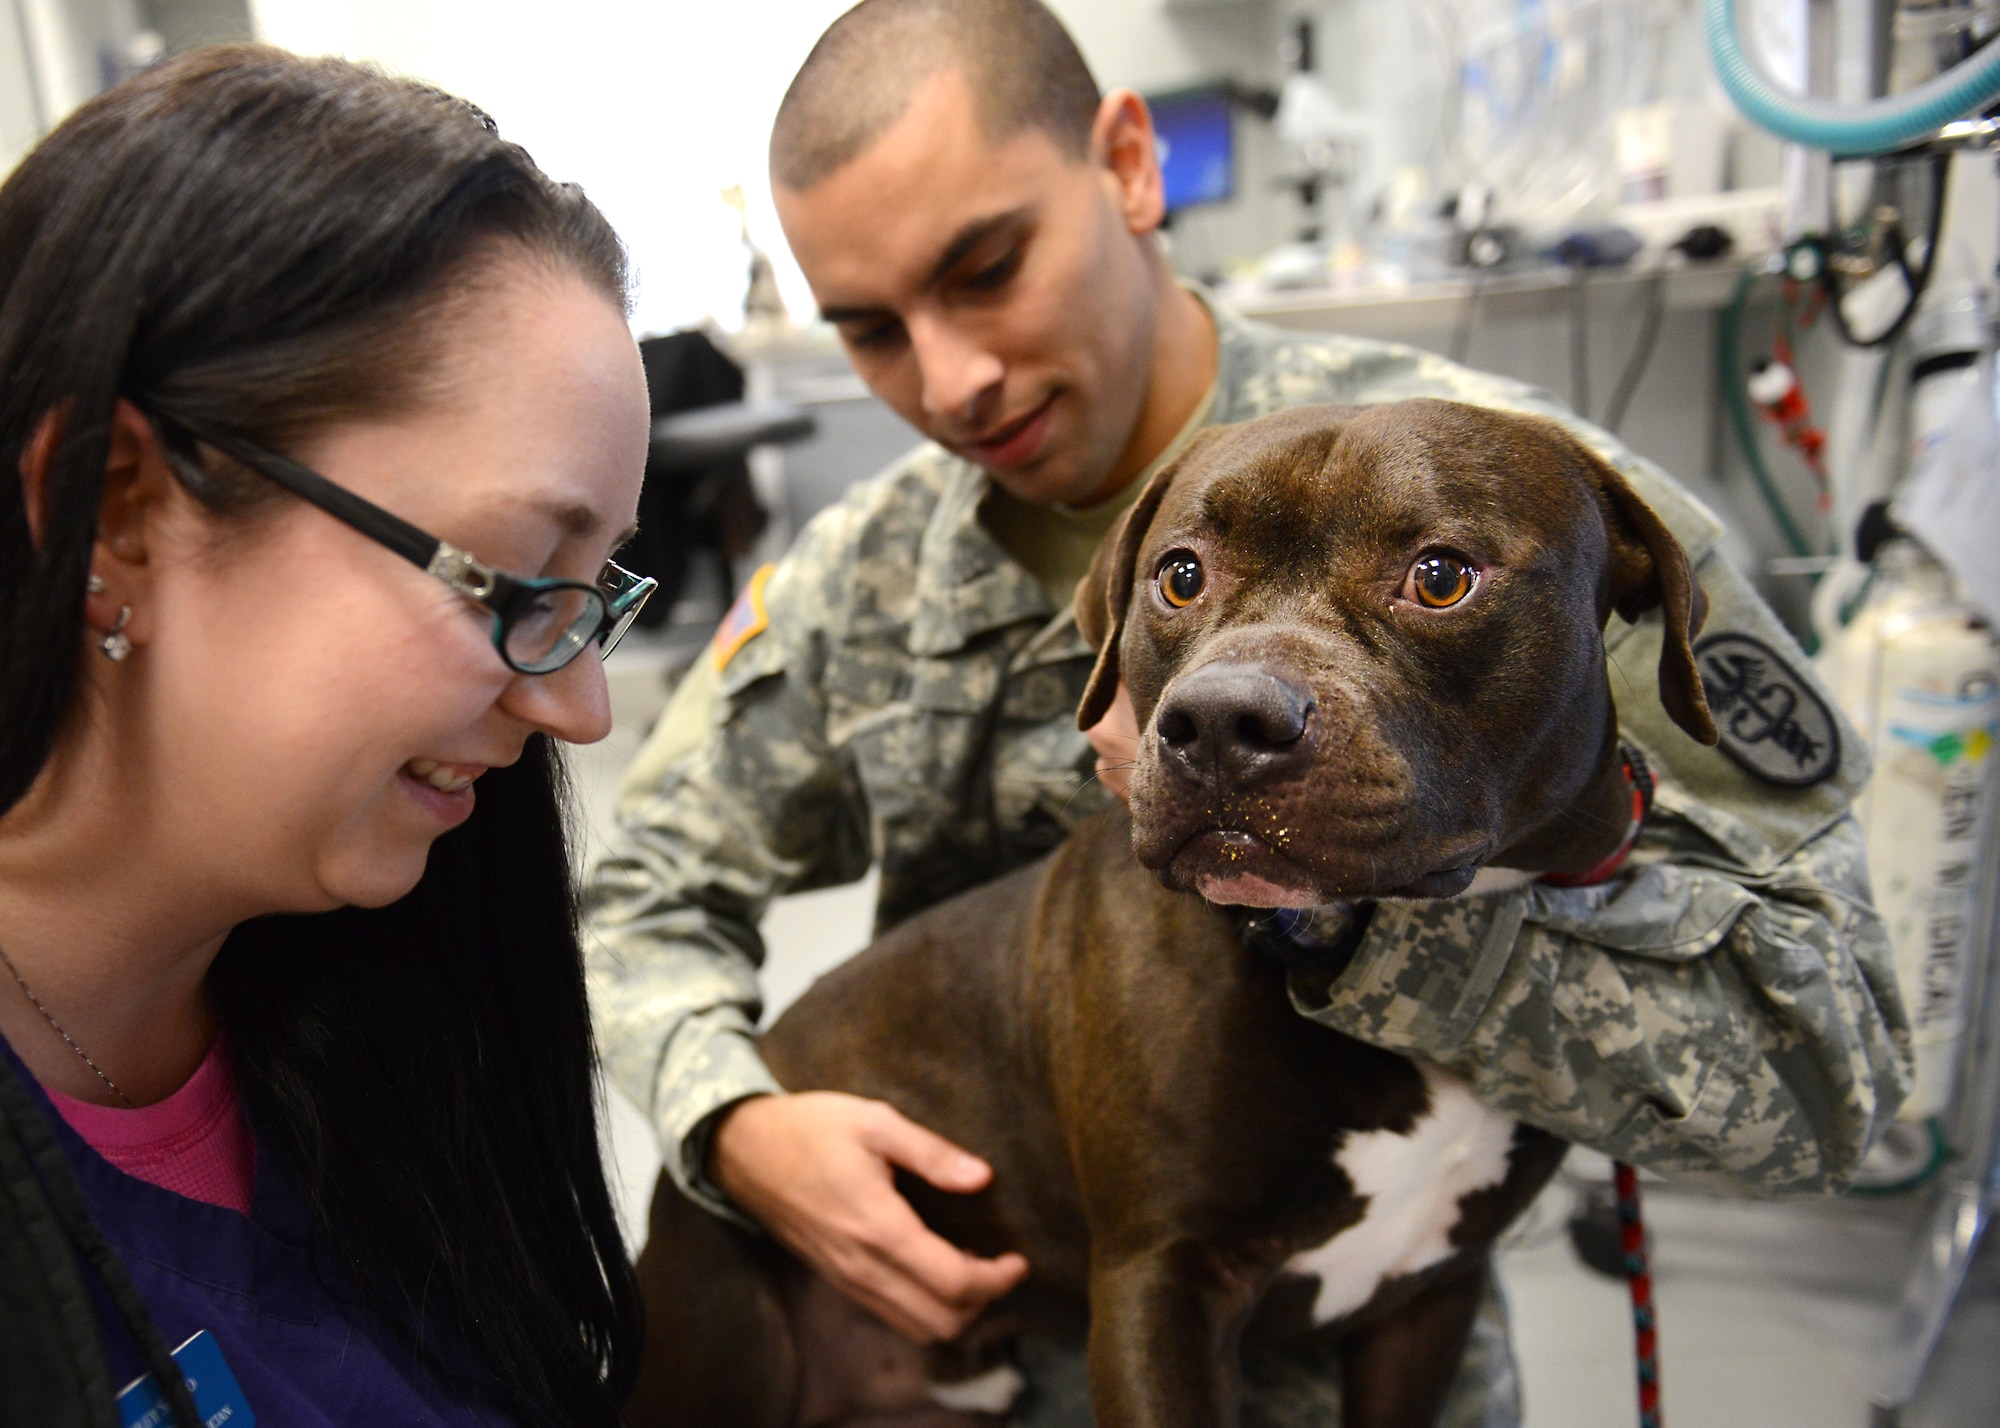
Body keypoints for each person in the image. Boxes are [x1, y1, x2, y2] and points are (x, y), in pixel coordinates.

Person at [584, 1, 1911, 1422]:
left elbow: (1832, 1077)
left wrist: (1404, 935)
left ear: (1132, 168)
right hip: (996, 1327)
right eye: (870, 331)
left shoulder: (1528, 500)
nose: (951, 377)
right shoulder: (862, 575)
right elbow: (638, 890)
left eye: (989, 268)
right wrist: (739, 1128)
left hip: (1375, 1339)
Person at [0, 47, 652, 1428]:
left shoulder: (393, 1010)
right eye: (519, 583)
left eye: (597, 599)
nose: (580, 707)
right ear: (118, 505)